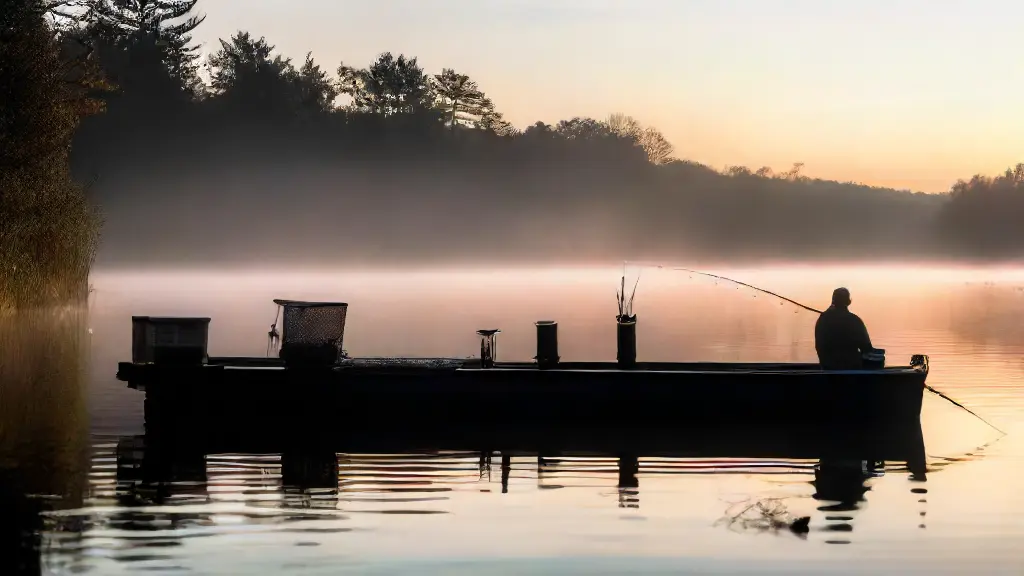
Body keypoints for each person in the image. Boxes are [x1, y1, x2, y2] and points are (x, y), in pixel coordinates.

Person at [814, 287, 873, 370]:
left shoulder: (822, 319)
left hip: (826, 367)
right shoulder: (854, 320)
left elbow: (818, 346)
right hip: (851, 368)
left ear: (833, 301)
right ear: (848, 302)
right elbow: (867, 348)